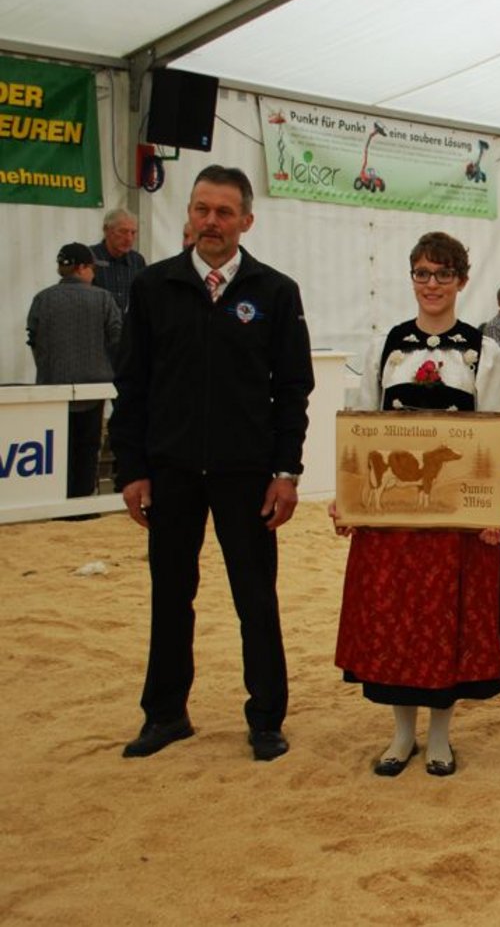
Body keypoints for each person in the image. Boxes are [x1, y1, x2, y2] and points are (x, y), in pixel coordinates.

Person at [110, 165, 314, 762]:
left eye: (224, 212)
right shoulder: (153, 287)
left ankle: (266, 718)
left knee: (256, 599)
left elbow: (293, 390)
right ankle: (166, 714)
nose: (211, 222)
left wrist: (286, 472)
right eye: (202, 209)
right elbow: (133, 386)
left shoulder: (275, 292)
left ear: (246, 221)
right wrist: (132, 469)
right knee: (170, 596)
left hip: (247, 475)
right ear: (190, 214)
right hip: (170, 471)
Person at [330, 232, 500, 777]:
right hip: (392, 520)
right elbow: (359, 429)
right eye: (421, 273)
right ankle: (400, 734)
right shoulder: (383, 347)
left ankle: (439, 735)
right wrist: (348, 502)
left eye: (442, 274)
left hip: (455, 520)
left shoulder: (483, 353)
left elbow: (497, 437)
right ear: (411, 278)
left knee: (446, 624)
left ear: (462, 280)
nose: (431, 284)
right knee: (394, 622)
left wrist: (493, 510)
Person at [26, 242, 122, 501]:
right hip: (94, 389)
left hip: (52, 390)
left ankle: (57, 502)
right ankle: (83, 505)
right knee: (87, 449)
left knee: (55, 452)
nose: (94, 273)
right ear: (81, 268)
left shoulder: (42, 299)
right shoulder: (102, 298)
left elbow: (33, 340)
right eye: (91, 268)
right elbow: (117, 340)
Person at [90, 208, 147, 314]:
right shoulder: (90, 257)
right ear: (106, 230)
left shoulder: (137, 260)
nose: (129, 238)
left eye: (133, 232)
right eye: (123, 231)